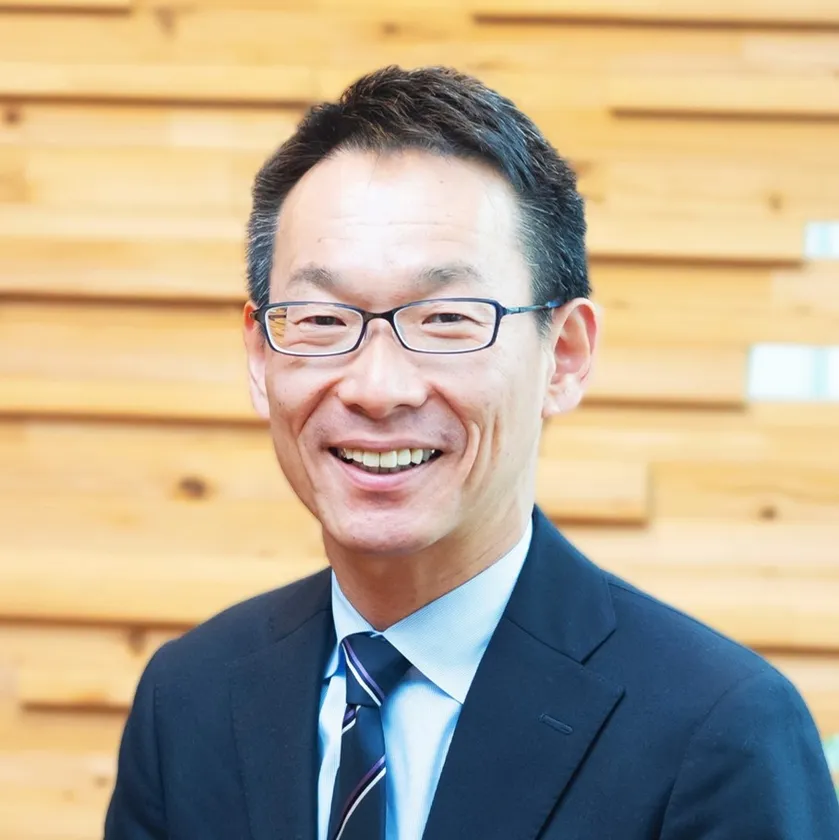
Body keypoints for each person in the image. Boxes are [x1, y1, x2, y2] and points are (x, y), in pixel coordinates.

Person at [104, 65, 839, 840]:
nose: (377, 388)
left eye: (446, 319)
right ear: (260, 358)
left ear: (563, 357)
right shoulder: (189, 699)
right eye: (321, 320)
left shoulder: (719, 734)